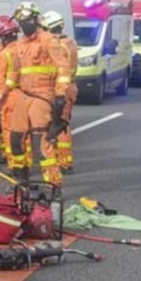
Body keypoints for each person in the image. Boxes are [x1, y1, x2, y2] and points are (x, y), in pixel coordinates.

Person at [9, 2, 71, 186]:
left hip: (42, 97)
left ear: (36, 19)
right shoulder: (20, 44)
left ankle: (53, 184)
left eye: (27, 20)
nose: (24, 25)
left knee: (40, 144)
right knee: (15, 140)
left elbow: (63, 68)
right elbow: (15, 70)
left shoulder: (48, 40)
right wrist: (3, 91)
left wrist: (60, 96)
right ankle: (22, 180)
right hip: (24, 96)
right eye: (21, 22)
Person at [40, 10, 78, 172]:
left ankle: (61, 162)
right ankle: (65, 160)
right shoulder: (70, 42)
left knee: (56, 124)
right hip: (70, 87)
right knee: (63, 124)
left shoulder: (57, 46)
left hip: (60, 89)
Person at [0, 15, 22, 168]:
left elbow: (2, 80)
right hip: (24, 97)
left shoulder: (5, 54)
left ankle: (14, 166)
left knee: (9, 133)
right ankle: (23, 165)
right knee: (22, 134)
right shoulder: (23, 49)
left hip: (9, 100)